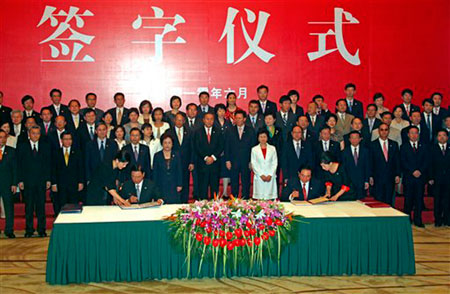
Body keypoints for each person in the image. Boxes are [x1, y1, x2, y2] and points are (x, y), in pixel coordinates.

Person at [17, 125, 51, 237]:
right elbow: (19, 165)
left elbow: (48, 165)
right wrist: (20, 180)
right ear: (29, 134)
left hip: (41, 182)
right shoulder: (22, 147)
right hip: (27, 182)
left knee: (41, 207)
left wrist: (48, 179)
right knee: (29, 207)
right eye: (33, 133)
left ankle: (41, 229)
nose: (35, 135)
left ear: (40, 135)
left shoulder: (45, 146)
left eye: (37, 133)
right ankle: (29, 229)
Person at [400, 126, 429, 227]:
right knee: (408, 200)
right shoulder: (404, 147)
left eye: (416, 133)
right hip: (409, 177)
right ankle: (407, 220)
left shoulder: (424, 146)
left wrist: (420, 171)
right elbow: (403, 161)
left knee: (419, 199)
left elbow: (426, 161)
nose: (414, 135)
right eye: (411, 133)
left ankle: (418, 220)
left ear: (418, 134)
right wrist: (412, 171)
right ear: (408, 135)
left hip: (420, 178)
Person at [51, 132, 84, 215]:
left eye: (69, 139)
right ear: (61, 140)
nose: (68, 141)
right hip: (60, 185)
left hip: (74, 184)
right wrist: (54, 183)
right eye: (65, 139)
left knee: (73, 205)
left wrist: (81, 182)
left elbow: (81, 168)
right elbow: (53, 169)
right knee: (60, 205)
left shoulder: (78, 152)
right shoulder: (56, 153)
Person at [225, 110, 256, 199]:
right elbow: (226, 146)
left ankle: (245, 199)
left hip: (246, 161)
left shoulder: (250, 130)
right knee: (234, 181)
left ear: (244, 119)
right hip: (233, 160)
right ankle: (234, 199)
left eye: (240, 118)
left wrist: (251, 161)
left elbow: (253, 147)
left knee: (246, 181)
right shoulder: (230, 130)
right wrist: (227, 160)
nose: (238, 120)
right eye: (236, 118)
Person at [193, 113, 223, 199]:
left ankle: (215, 208)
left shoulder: (218, 131)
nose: (209, 121)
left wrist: (213, 157)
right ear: (203, 120)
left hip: (215, 164)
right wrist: (205, 157)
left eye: (211, 119)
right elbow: (197, 147)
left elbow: (221, 146)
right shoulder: (197, 132)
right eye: (207, 119)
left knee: (215, 187)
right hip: (202, 163)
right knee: (202, 188)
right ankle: (203, 207)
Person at [369, 123, 401, 205]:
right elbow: (370, 162)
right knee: (378, 200)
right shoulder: (372, 145)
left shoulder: (394, 144)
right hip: (377, 177)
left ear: (389, 131)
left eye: (386, 130)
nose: (384, 132)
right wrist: (370, 176)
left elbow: (397, 160)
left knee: (389, 200)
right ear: (378, 131)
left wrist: (397, 174)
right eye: (381, 130)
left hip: (390, 177)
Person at [166, 113, 194, 203]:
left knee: (185, 183)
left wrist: (192, 162)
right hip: (172, 162)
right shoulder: (168, 132)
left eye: (181, 120)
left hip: (185, 163)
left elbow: (192, 148)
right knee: (173, 183)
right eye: (177, 120)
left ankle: (184, 203)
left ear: (184, 121)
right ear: (174, 120)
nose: (179, 122)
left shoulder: (189, 131)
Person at [153, 134, 183, 204]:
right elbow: (155, 172)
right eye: (165, 142)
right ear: (162, 144)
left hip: (174, 184)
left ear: (172, 144)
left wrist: (180, 184)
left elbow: (179, 170)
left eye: (169, 143)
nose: (167, 145)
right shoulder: (157, 155)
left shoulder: (177, 155)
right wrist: (155, 186)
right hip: (161, 185)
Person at [429, 129, 449, 226]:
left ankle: (447, 219)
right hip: (437, 179)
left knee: (448, 200)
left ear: (447, 137)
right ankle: (438, 220)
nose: (442, 137)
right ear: (437, 138)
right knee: (437, 200)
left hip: (448, 179)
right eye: (440, 135)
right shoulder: (432, 149)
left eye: (444, 135)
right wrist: (430, 177)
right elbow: (430, 164)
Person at [341, 131, 370, 199]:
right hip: (349, 182)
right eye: (352, 138)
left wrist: (366, 180)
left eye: (356, 138)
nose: (354, 140)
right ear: (349, 139)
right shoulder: (344, 152)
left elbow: (367, 167)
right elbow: (343, 169)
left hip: (361, 181)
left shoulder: (365, 151)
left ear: (360, 139)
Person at [251, 129, 278, 200]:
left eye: (264, 137)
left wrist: (270, 174)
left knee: (270, 198)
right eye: (261, 137)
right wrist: (260, 174)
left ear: (267, 138)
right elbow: (254, 163)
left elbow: (274, 163)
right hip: (259, 176)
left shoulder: (273, 148)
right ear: (258, 138)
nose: (263, 138)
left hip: (270, 176)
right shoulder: (254, 149)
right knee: (260, 198)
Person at [0, 129, 17, 238]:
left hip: (7, 183)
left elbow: (15, 169)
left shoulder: (11, 151)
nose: (1, 139)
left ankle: (9, 230)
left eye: (3, 137)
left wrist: (14, 183)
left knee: (9, 208)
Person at [214, 104, 232, 197]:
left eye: (223, 111)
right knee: (216, 172)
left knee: (226, 172)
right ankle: (216, 194)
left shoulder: (228, 122)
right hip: (216, 151)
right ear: (216, 112)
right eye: (219, 110)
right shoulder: (213, 122)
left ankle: (225, 192)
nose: (221, 113)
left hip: (226, 150)